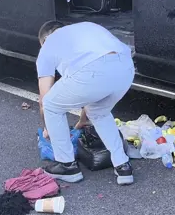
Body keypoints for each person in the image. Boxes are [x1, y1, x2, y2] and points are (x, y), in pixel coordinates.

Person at [37, 20, 135, 186]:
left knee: (51, 106)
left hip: (93, 71)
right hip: (126, 68)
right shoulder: (86, 27)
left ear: (44, 40)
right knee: (99, 112)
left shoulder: (48, 45)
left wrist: (49, 130)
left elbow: (44, 99)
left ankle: (68, 166)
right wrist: (82, 121)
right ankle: (122, 166)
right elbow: (90, 93)